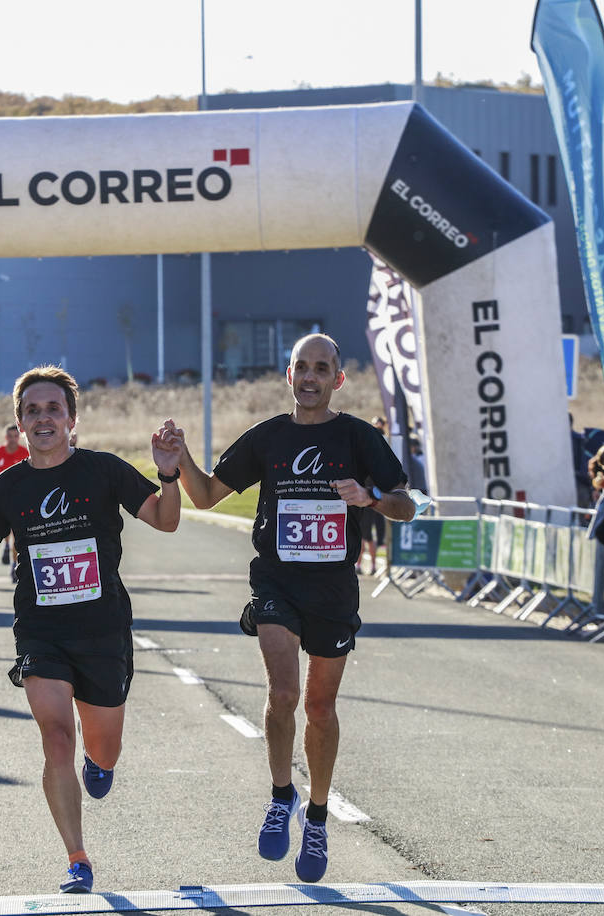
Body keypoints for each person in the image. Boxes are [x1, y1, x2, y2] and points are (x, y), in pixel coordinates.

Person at [0, 366, 181, 895]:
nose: (43, 418)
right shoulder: (7, 488)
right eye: (32, 411)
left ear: (71, 418)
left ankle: (99, 762)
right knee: (56, 739)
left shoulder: (104, 470)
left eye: (53, 409)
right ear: (19, 423)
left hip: (104, 630)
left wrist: (170, 475)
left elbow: (165, 518)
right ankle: (77, 858)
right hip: (41, 632)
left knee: (103, 749)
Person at [168, 333, 415, 883]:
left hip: (333, 590)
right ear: (288, 374)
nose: (310, 377)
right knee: (284, 693)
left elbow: (408, 505)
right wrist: (178, 457)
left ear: (338, 379)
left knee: (321, 708)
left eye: (321, 368)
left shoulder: (357, 438)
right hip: (277, 580)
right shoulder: (269, 437)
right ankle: (283, 795)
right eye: (301, 367)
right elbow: (206, 495)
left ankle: (319, 816)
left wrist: (370, 499)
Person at [0, 424, 31, 571]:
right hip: (2, 498)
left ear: (19, 437)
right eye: (10, 436)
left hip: (19, 498)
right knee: (6, 528)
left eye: (15, 436)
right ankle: (5, 545)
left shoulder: (25, 453)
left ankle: (13, 566)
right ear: (5, 437)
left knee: (16, 533)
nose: (13, 439)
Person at [357, 416, 388, 575]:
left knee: (366, 535)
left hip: (371, 499)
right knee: (366, 535)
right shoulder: (375, 459)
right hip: (372, 498)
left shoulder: (374, 460)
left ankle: (369, 565)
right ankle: (368, 565)